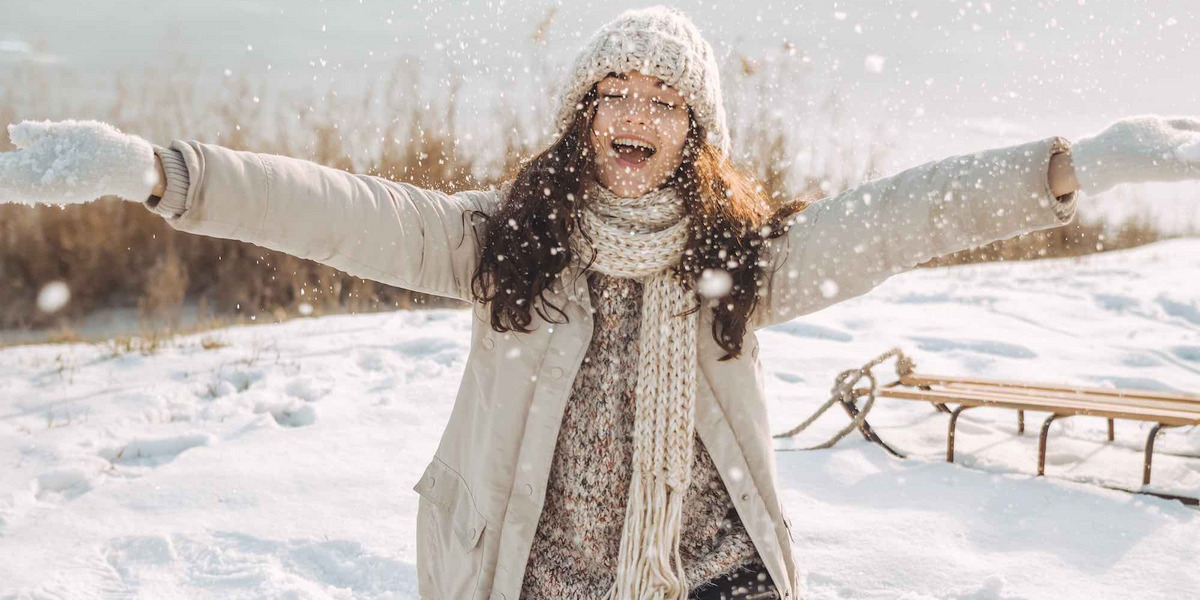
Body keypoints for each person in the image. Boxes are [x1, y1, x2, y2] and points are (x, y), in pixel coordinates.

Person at [2, 6, 1199, 600]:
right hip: (532, 577)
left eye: (662, 99)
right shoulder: (499, 243)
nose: (634, 114)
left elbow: (897, 216)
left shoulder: (742, 258)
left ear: (695, 134)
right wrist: (162, 173)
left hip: (713, 580)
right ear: (583, 120)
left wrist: (1068, 166)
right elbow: (335, 205)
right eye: (611, 92)